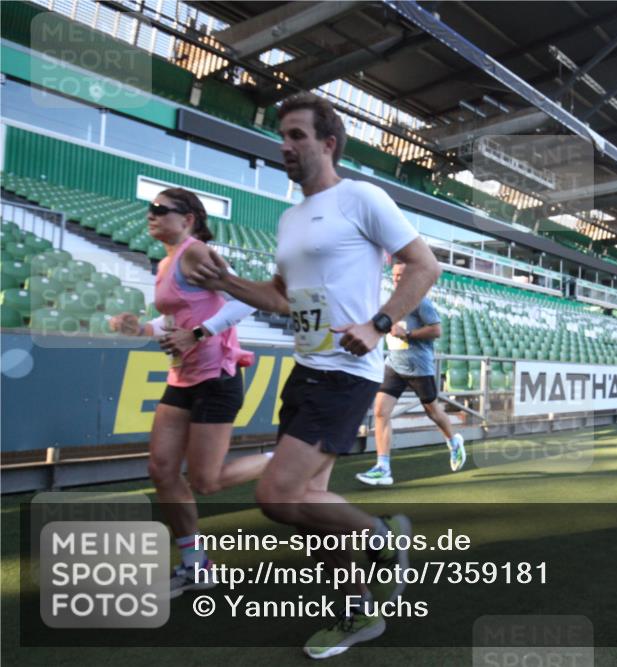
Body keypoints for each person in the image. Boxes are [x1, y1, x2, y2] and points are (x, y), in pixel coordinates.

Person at [188, 92, 441, 659]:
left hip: (348, 372)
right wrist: (226, 282)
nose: (286, 146)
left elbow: (426, 265)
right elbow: (280, 298)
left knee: (277, 495)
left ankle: (380, 536)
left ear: (328, 144)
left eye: (298, 135)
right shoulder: (289, 218)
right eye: (283, 136)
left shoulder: (361, 197)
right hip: (306, 371)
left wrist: (380, 324)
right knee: (310, 500)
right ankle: (356, 614)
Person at [109, 187, 269, 598]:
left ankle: (279, 460)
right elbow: (175, 320)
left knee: (206, 481)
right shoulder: (166, 262)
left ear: (189, 219)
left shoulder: (196, 252)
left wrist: (198, 334)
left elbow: (247, 301)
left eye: (161, 209)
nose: (152, 214)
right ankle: (195, 565)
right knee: (161, 471)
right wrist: (140, 328)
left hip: (217, 375)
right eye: (150, 208)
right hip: (182, 377)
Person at [356, 262, 464, 487]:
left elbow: (437, 329)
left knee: (433, 411)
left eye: (401, 275)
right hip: (394, 364)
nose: (396, 279)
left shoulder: (420, 300)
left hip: (419, 367)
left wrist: (408, 334)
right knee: (380, 411)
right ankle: (383, 467)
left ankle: (454, 442)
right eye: (394, 275)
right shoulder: (390, 301)